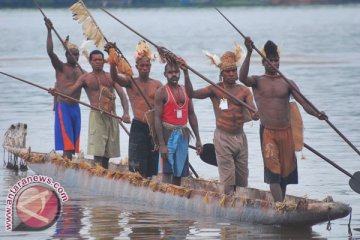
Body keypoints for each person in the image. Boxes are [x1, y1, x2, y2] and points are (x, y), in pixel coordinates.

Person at [239, 38, 327, 202]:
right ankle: (280, 207)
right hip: (268, 132)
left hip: (286, 132)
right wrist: (249, 53)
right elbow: (242, 78)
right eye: (270, 60)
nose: (274, 63)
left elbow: (304, 103)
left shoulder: (287, 83)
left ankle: (280, 204)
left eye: (276, 60)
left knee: (285, 174)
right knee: (274, 173)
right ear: (264, 62)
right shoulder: (257, 81)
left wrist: (317, 113)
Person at [184, 46, 258, 194]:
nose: (231, 74)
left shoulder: (244, 91)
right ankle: (228, 201)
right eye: (228, 71)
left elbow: (253, 110)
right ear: (222, 74)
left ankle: (241, 204)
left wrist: (255, 114)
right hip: (223, 138)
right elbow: (191, 94)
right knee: (228, 180)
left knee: (242, 179)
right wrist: (186, 72)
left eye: (233, 70)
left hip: (240, 138)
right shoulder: (215, 89)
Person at [63, 49, 131, 169]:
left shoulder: (111, 77)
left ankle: (104, 176)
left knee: (107, 154)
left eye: (100, 60)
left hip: (112, 116)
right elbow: (70, 91)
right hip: (96, 116)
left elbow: (122, 95)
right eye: (95, 60)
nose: (98, 62)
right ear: (90, 61)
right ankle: (97, 175)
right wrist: (57, 92)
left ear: (104, 61)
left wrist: (126, 113)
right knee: (98, 153)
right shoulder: (86, 78)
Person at [107, 40, 162, 178]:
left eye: (147, 65)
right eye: (142, 65)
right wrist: (113, 59)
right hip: (138, 126)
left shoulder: (157, 84)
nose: (145, 68)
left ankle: (149, 187)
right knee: (137, 165)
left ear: (150, 66)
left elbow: (164, 106)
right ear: (137, 67)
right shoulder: (131, 82)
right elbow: (114, 77)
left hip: (153, 127)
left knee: (152, 165)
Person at [154, 59, 202, 186]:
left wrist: (198, 138)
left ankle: (176, 193)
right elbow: (157, 118)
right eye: (170, 72)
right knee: (167, 171)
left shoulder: (186, 90)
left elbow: (191, 114)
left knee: (179, 171)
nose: (174, 74)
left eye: (176, 72)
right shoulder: (161, 92)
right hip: (167, 133)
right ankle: (165, 197)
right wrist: (162, 144)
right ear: (165, 74)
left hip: (183, 134)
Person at [45, 17, 85, 160]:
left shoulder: (82, 71)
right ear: (66, 55)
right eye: (72, 54)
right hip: (64, 106)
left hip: (76, 107)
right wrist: (49, 31)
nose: (75, 57)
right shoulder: (61, 67)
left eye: (77, 54)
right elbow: (50, 52)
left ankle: (69, 162)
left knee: (74, 142)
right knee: (66, 141)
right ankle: (65, 163)